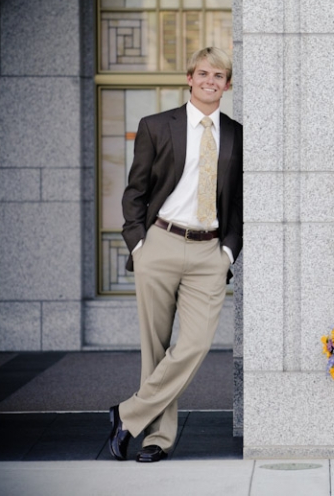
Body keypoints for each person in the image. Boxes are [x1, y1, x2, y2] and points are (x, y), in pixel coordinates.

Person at [108, 47, 243, 462]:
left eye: (218, 76)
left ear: (228, 84)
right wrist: (140, 245)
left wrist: (228, 252)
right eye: (203, 73)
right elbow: (135, 192)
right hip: (161, 244)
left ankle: (125, 415)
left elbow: (238, 201)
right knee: (156, 347)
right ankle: (156, 439)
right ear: (189, 78)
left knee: (195, 344)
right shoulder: (156, 126)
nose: (210, 81)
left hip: (209, 252)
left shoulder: (237, 133)